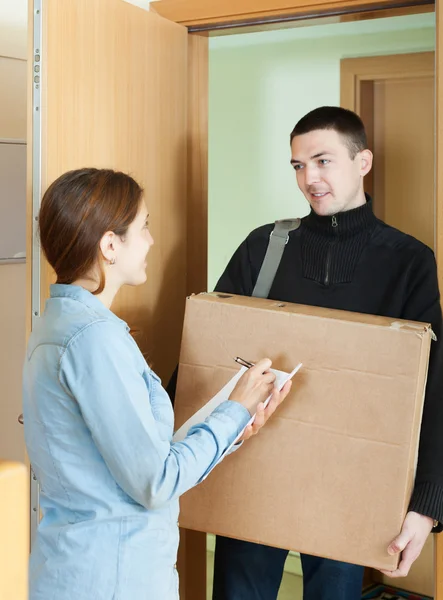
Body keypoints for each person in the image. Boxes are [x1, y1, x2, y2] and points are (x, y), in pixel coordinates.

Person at [23, 168, 292, 600]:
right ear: (110, 245)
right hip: (113, 577)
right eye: (143, 227)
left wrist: (232, 431)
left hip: (83, 567)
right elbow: (155, 481)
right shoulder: (94, 339)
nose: (150, 240)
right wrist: (234, 409)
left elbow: (132, 453)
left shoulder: (59, 323)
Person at [211, 106, 443, 600]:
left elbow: (434, 391)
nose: (309, 178)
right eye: (298, 166)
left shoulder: (408, 262)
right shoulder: (264, 248)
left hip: (352, 487)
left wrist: (426, 507)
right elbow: (213, 353)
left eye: (322, 161)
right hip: (255, 475)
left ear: (363, 162)